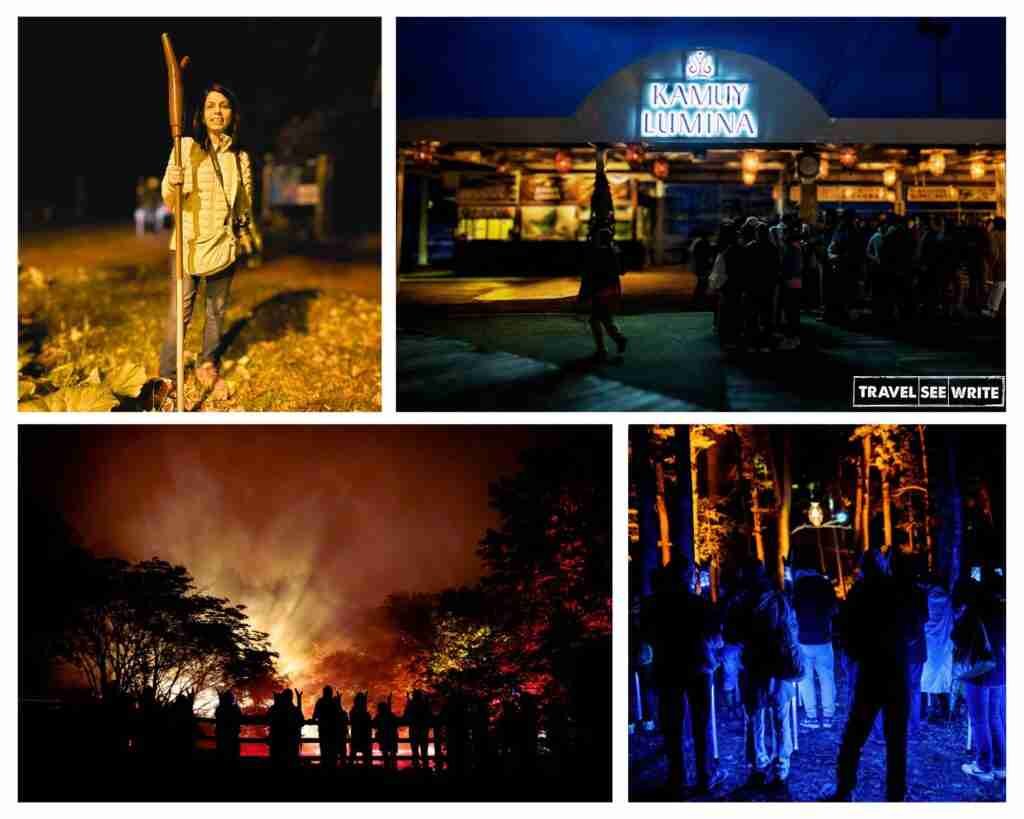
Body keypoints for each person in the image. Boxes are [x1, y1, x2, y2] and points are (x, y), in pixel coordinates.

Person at [153, 83, 254, 410]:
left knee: (215, 311)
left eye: (224, 105)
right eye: (211, 105)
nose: (217, 111)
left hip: (223, 244)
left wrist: (243, 231)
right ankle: (167, 376)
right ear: (202, 112)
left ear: (232, 113)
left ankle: (207, 363)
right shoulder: (184, 147)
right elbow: (169, 199)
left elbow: (244, 203)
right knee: (179, 313)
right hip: (187, 243)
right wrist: (174, 179)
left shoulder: (240, 157)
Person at [826, 548, 926, 801]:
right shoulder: (899, 591)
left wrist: (858, 653)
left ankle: (844, 789)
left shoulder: (860, 593)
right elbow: (915, 629)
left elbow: (845, 632)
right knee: (896, 741)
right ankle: (895, 795)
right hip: (895, 672)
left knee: (854, 736)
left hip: (871, 672)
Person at [640, 561, 724, 794]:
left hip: (667, 668)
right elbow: (716, 637)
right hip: (698, 667)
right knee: (701, 721)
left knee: (672, 726)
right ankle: (705, 775)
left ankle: (678, 778)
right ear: (687, 578)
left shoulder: (653, 605)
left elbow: (645, 635)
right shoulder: (699, 604)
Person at [725, 558, 801, 788]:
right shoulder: (778, 599)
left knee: (755, 719)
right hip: (778, 666)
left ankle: (758, 764)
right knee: (781, 717)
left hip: (753, 667)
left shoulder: (739, 603)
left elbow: (731, 636)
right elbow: (792, 629)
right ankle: (782, 764)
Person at [953, 574, 1006, 782]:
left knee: (979, 721)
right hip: (1001, 671)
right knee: (995, 718)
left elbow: (958, 641)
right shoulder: (1000, 611)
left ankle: (984, 766)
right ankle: (1001, 765)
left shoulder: (972, 616)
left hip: (980, 675)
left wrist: (962, 677)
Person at [792, 565, 838, 729]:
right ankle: (828, 716)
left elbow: (793, 610)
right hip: (823, 638)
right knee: (827, 678)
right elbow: (834, 609)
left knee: (806, 679)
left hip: (803, 639)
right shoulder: (825, 585)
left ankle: (811, 716)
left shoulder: (798, 586)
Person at [580, 226, 627, 361]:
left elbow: (592, 273)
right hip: (613, 288)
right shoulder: (615, 250)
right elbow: (622, 270)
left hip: (602, 291)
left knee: (596, 319)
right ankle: (615, 340)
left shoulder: (600, 252)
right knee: (604, 318)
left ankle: (606, 347)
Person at [982, 217, 1006, 318]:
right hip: (1005, 263)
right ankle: (991, 308)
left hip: (998, 264)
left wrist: (990, 265)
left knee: (997, 286)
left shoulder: (993, 235)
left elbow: (993, 252)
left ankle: (993, 309)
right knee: (999, 285)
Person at [313, 686, 340, 770]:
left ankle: (325, 768)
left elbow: (315, 715)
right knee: (333, 751)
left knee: (324, 750)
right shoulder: (334, 702)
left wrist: (314, 719)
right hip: (333, 731)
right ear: (331, 693)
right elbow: (339, 715)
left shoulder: (320, 702)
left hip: (323, 730)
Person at [215, 689, 243, 764]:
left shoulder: (220, 708)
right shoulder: (234, 709)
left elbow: (218, 715)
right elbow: (240, 717)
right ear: (231, 699)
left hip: (222, 736)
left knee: (222, 755)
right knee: (233, 756)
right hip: (232, 736)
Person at [374, 699, 399, 769]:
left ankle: (387, 769)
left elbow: (374, 723)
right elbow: (396, 723)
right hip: (392, 737)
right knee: (393, 755)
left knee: (385, 755)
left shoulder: (379, 716)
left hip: (383, 738)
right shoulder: (391, 715)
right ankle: (394, 769)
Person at [349, 692, 373, 766]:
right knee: (366, 756)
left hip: (356, 736)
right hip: (364, 737)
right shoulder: (364, 713)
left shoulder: (353, 712)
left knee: (353, 754)